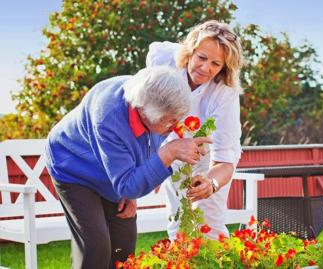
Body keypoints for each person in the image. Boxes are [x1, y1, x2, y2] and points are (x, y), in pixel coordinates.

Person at [45, 66, 211, 269]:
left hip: (112, 168)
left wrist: (132, 187)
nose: (175, 127)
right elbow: (128, 182)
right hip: (73, 166)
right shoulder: (108, 117)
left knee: (124, 240)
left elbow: (143, 145)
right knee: (96, 245)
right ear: (147, 113)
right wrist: (168, 154)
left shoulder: (151, 95)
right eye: (171, 122)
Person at [146, 20, 243, 240]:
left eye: (216, 64)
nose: (206, 68)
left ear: (224, 68)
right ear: (190, 51)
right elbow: (144, 111)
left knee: (209, 226)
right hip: (173, 145)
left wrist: (212, 182)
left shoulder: (225, 93)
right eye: (201, 57)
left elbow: (225, 161)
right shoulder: (163, 59)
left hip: (209, 154)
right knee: (178, 223)